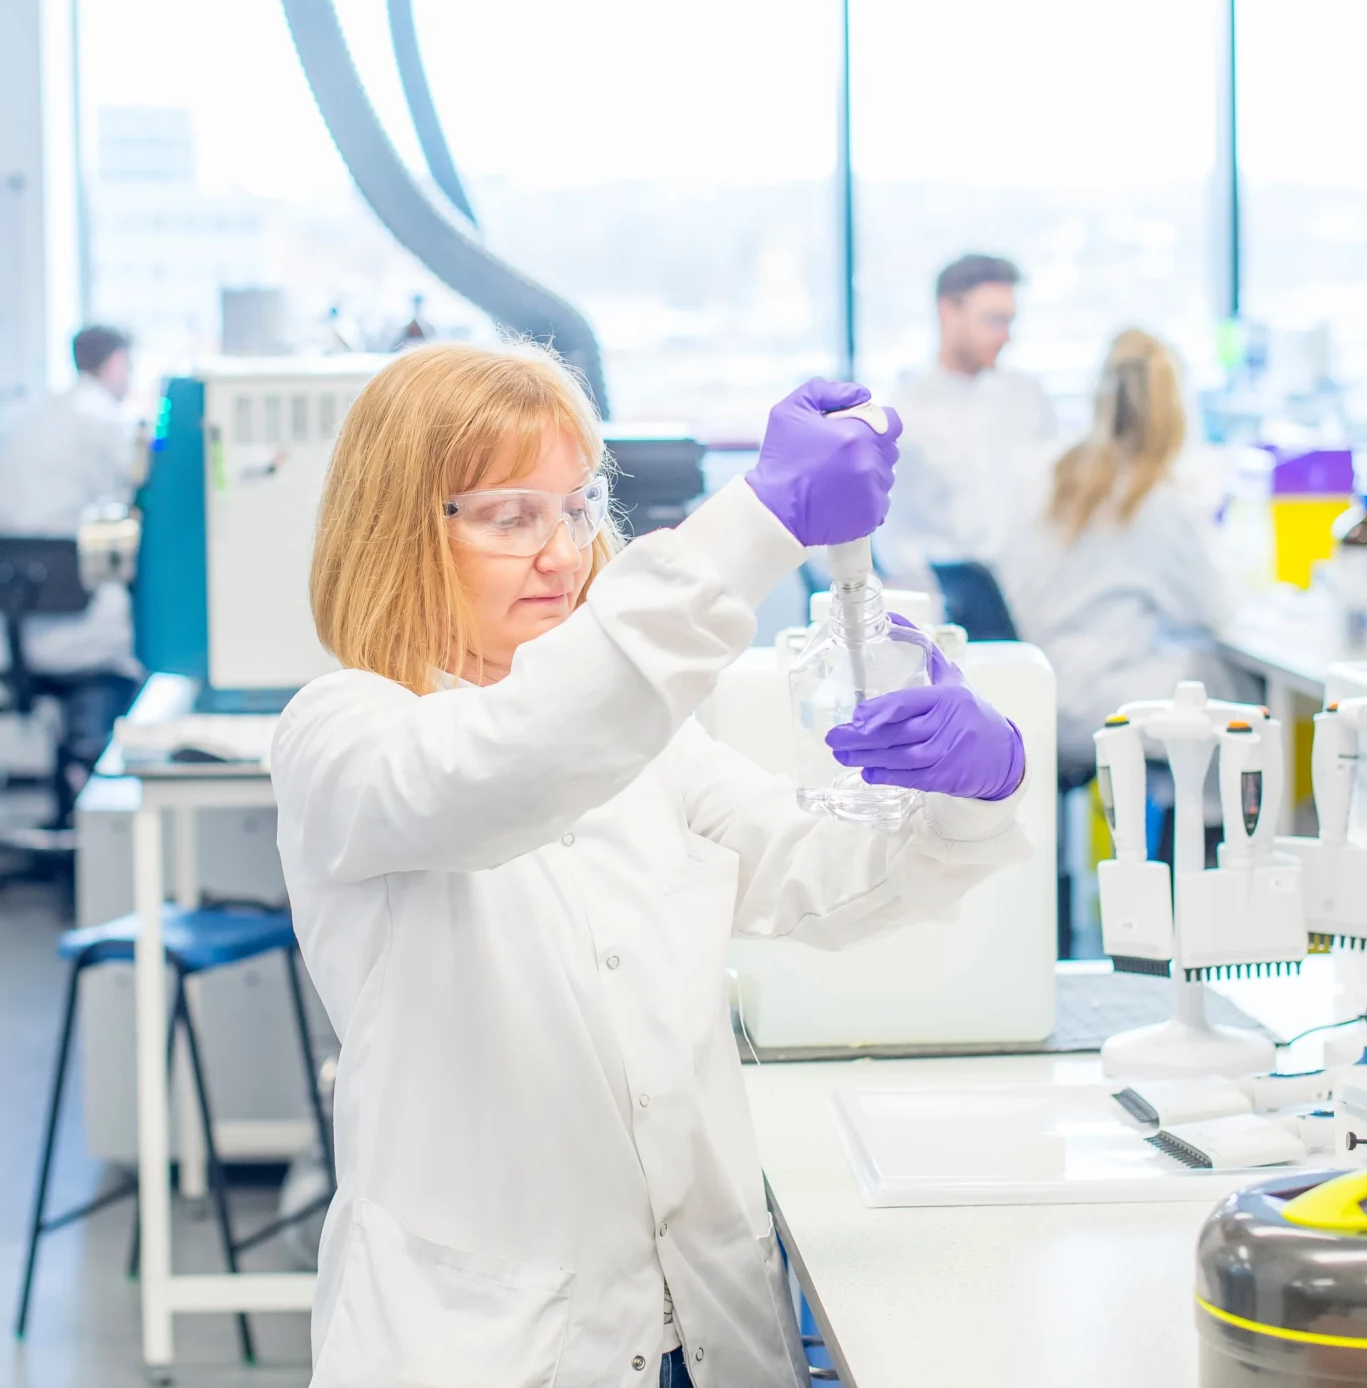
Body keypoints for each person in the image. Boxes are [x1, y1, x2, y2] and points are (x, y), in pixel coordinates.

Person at [272, 343, 1030, 1386]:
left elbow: (823, 877)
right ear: (400, 529)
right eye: (509, 517)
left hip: (700, 1333)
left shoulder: (649, 746)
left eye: (576, 507)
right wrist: (760, 520)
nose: (560, 552)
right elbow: (515, 761)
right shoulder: (344, 735)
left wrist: (974, 783)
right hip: (492, 1350)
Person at [995, 329, 1243, 786]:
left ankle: (1168, 834)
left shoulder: (1053, 473)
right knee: (1235, 699)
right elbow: (1215, 609)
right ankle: (1201, 842)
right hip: (1096, 698)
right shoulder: (1155, 497)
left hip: (1038, 687)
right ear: (1175, 410)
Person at [0, 324, 143, 801]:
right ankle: (89, 779)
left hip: (19, 618)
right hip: (78, 620)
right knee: (130, 672)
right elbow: (133, 493)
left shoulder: (34, 418)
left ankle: (78, 779)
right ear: (116, 363)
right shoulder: (102, 421)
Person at [883, 252, 1061, 578]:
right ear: (947, 312)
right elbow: (894, 539)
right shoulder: (906, 415)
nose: (1005, 336)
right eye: (993, 320)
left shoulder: (1027, 398)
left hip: (1029, 591)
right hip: (944, 598)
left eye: (1009, 321)